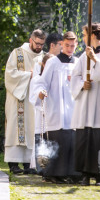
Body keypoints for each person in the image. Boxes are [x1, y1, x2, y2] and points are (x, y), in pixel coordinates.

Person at [71, 22, 100, 186]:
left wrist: (95, 59)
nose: (83, 38)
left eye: (85, 35)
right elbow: (75, 76)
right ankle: (85, 175)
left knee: (99, 139)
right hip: (86, 102)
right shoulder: (83, 56)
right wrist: (82, 84)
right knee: (85, 139)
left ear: (92, 35)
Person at [30, 31, 78, 183]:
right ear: (62, 44)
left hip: (73, 109)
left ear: (76, 45)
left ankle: (72, 174)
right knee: (58, 142)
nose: (69, 48)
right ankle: (54, 174)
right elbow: (41, 82)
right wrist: (41, 92)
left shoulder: (78, 62)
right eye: (67, 45)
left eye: (72, 46)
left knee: (72, 142)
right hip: (57, 108)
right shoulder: (53, 62)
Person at [4, 29, 46, 175]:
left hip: (34, 100)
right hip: (18, 99)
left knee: (32, 127)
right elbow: (9, 75)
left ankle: (29, 164)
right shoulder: (17, 53)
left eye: (42, 44)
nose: (39, 47)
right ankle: (13, 163)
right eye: (37, 43)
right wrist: (29, 75)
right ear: (30, 40)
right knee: (16, 128)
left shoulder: (44, 57)